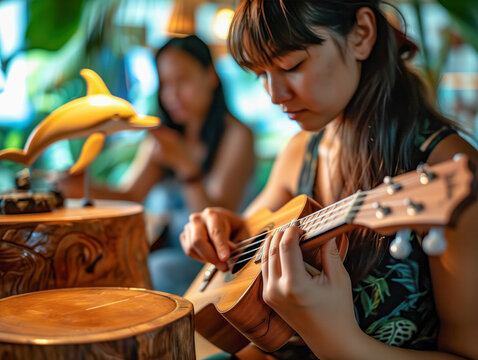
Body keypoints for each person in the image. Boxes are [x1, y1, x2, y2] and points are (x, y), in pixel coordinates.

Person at [180, 1, 478, 359]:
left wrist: (341, 343)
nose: (274, 95)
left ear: (361, 35)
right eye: (260, 74)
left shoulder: (446, 170)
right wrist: (221, 229)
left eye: (291, 65)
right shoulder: (302, 150)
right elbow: (248, 232)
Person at [59, 35, 255, 295]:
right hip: (168, 249)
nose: (172, 95)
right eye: (164, 84)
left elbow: (216, 225)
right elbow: (130, 196)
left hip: (218, 258)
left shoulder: (237, 135)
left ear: (210, 75)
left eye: (182, 80)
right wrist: (81, 187)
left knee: (154, 269)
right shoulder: (165, 138)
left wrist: (186, 167)